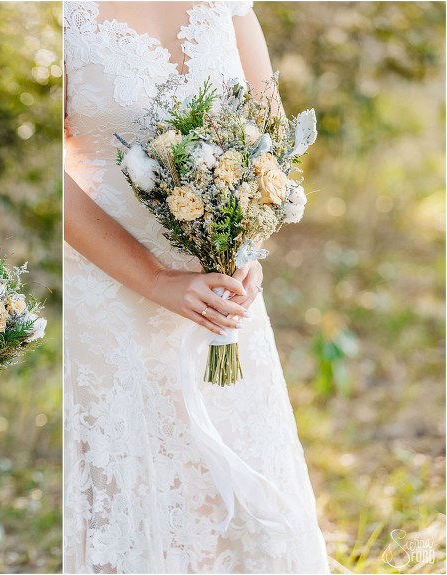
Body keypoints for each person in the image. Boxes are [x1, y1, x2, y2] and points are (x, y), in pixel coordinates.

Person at [63, 2, 330, 572]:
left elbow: (268, 137)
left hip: (221, 280)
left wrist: (249, 247)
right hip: (112, 284)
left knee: (229, 475)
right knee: (144, 482)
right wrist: (156, 280)